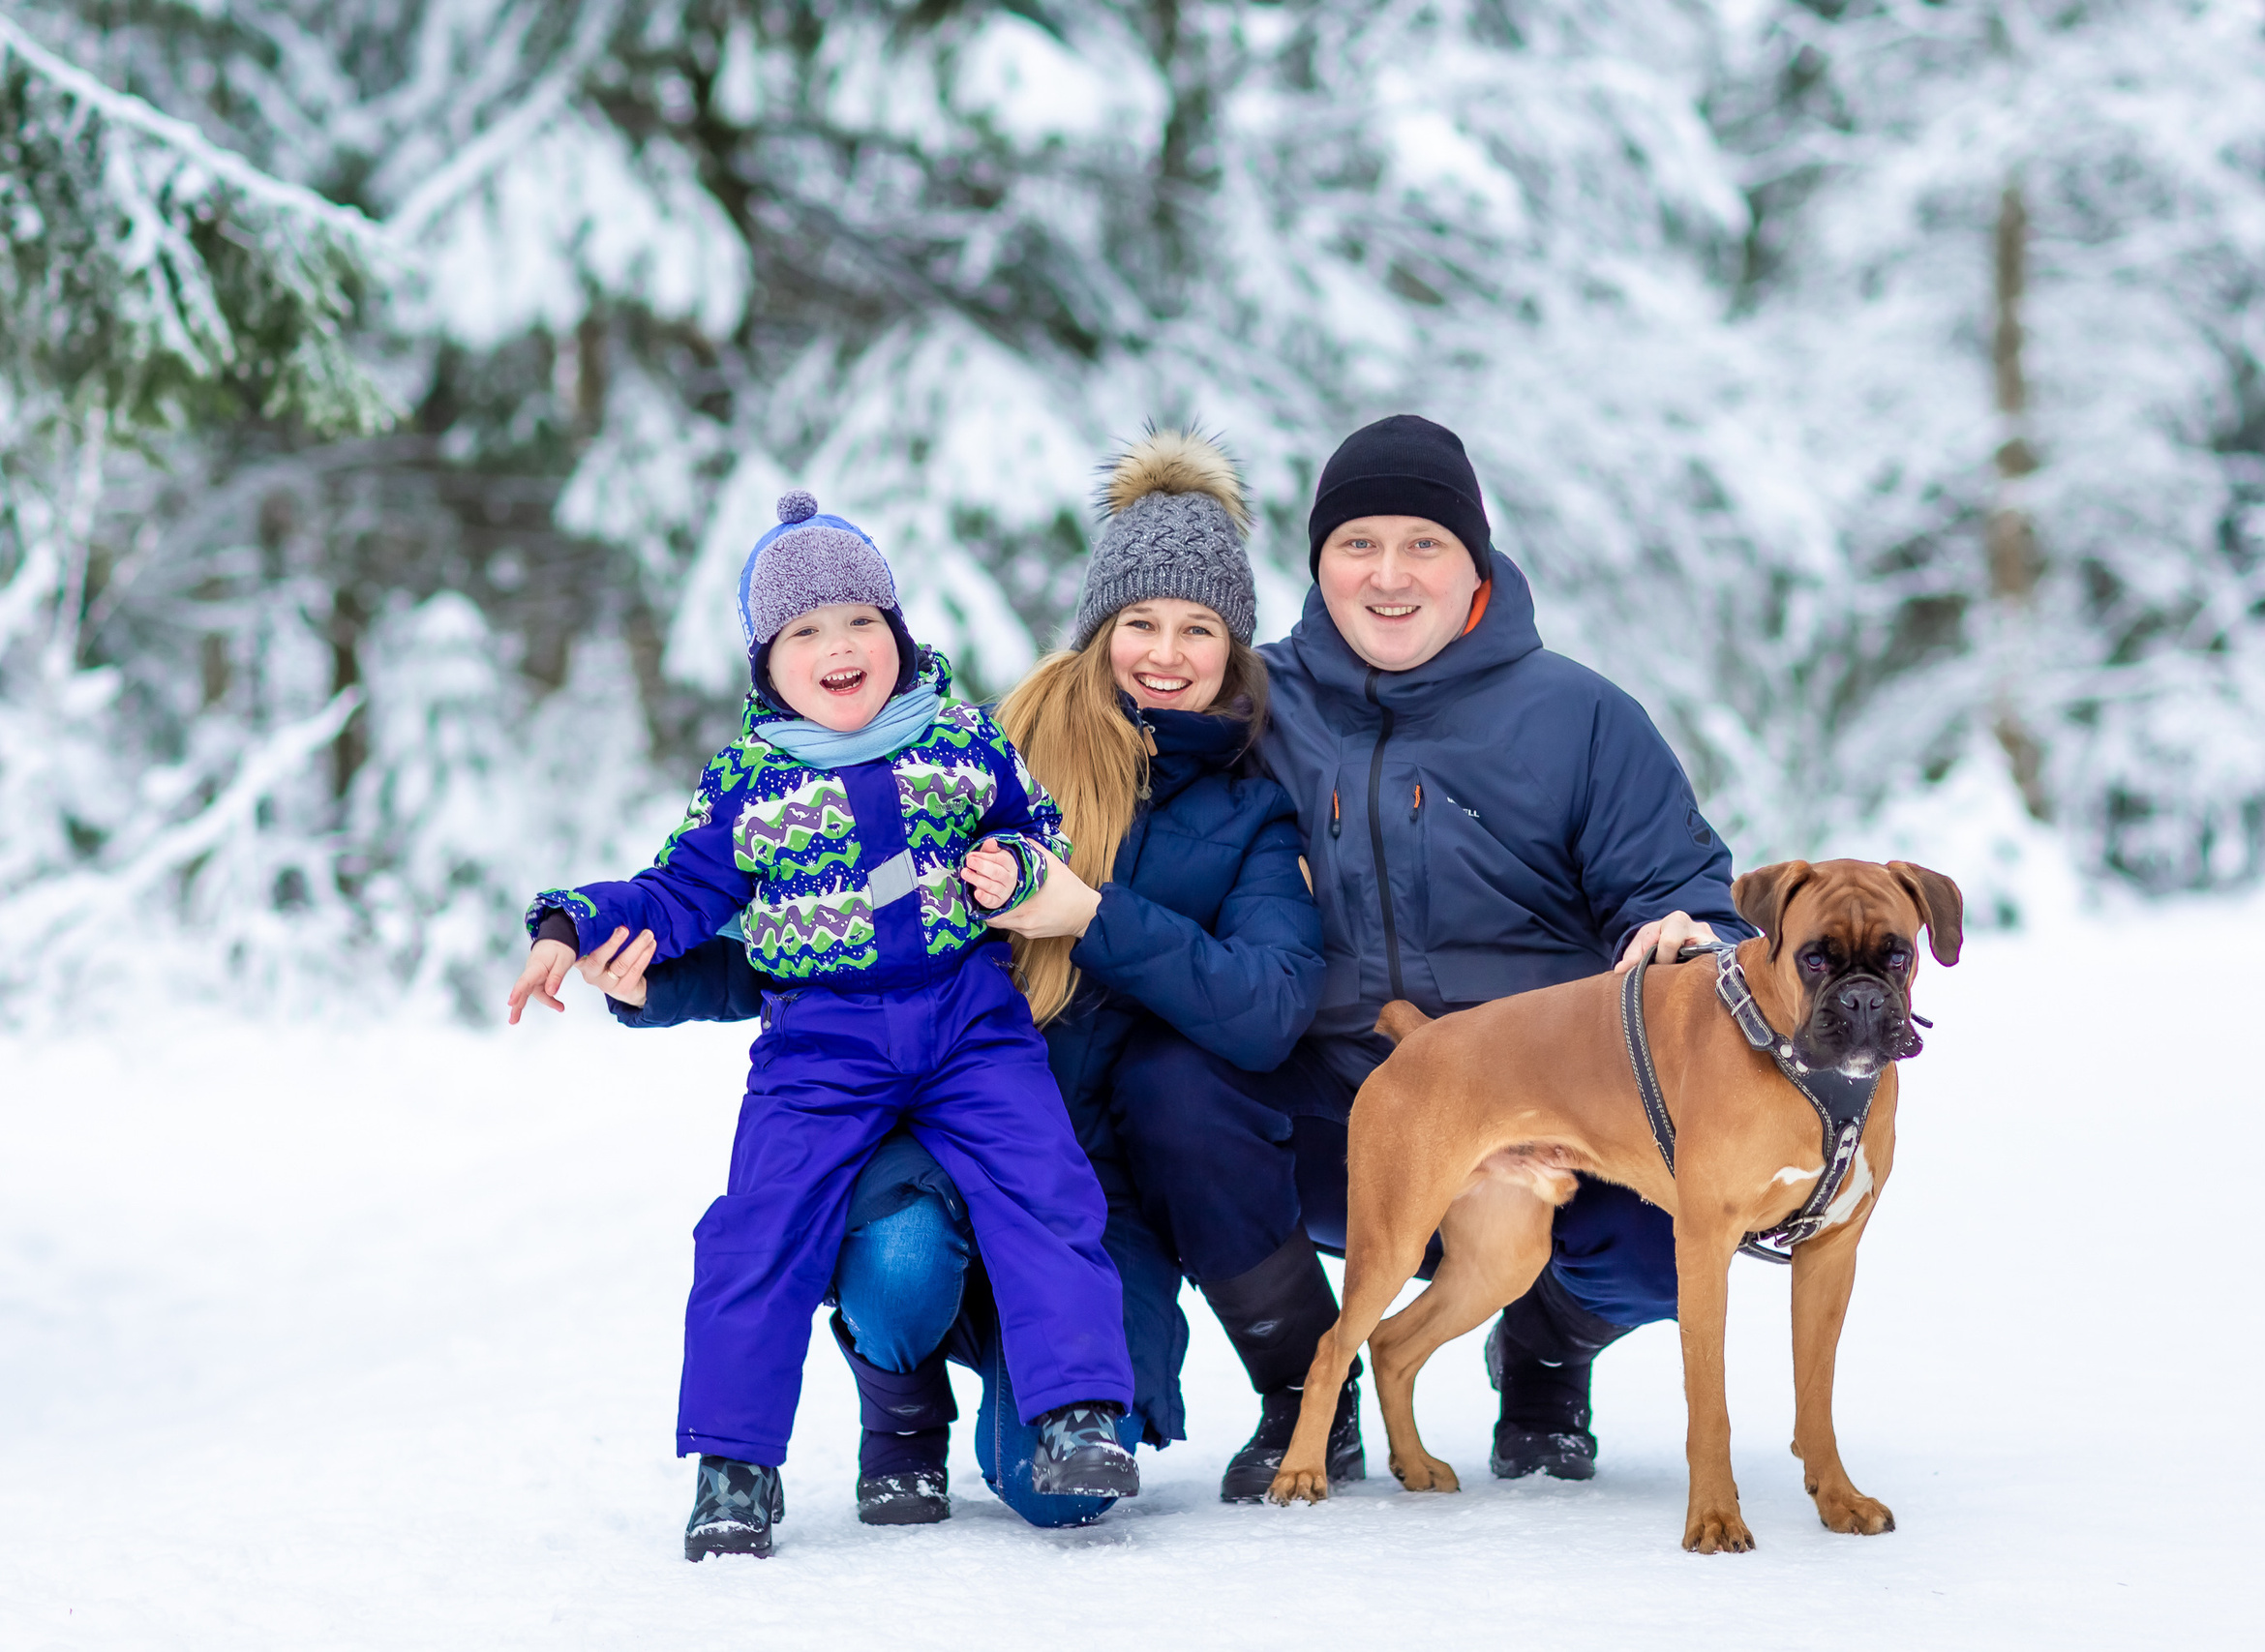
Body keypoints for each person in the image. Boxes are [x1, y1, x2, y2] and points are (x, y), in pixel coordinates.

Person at [584, 432, 1327, 1527]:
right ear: (1098, 628)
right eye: (1140, 622)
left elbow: (1265, 1009)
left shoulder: (1247, 811)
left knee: (1056, 1493)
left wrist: (1086, 912)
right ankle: (891, 1410)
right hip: (922, 1129)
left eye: (1198, 628)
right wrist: (658, 980)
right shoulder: (985, 744)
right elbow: (822, 938)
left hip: (1086, 1183)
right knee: (885, 1254)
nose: (1164, 654)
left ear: (1233, 647)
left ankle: (1079, 1409)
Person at [1108, 414, 1758, 1497]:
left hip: (1551, 1107)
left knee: (1677, 1226)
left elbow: (1677, 888)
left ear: (1476, 565)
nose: (1389, 575)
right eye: (1358, 544)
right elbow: (1124, 742)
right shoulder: (1255, 702)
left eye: (1424, 545)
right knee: (1169, 1088)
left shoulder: (1581, 718)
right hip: (1335, 1100)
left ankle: (1545, 1358)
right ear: (1318, 565)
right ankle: (1300, 1391)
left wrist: (1696, 933)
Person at [504, 492, 1138, 1560]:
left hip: (967, 1018)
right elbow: (674, 892)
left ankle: (1074, 1413)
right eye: (804, 631)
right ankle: (734, 1468)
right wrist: (574, 923)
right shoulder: (749, 783)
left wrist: (1020, 868)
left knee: (1045, 1183)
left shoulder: (962, 739)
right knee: (759, 1227)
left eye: (859, 621)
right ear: (767, 661)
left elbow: (1039, 829)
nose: (837, 645)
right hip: (820, 1042)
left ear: (896, 634)